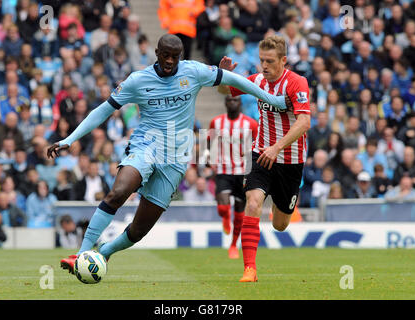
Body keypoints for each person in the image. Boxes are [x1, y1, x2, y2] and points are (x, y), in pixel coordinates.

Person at [47, 34, 290, 275]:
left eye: (175, 56)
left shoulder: (193, 72)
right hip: (146, 146)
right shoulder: (138, 81)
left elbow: (236, 80)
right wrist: (70, 139)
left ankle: (104, 253)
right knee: (119, 192)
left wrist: (273, 100)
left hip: (175, 160)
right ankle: (81, 254)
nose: (171, 61)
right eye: (166, 55)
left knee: (139, 230)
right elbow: (103, 110)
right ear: (156, 53)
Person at [218, 35, 311, 282]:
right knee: (253, 202)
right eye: (261, 60)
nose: (265, 66)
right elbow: (225, 90)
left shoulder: (297, 83)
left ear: (283, 60)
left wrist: (278, 147)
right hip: (261, 154)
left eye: (270, 61)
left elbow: (304, 122)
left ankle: (281, 206)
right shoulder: (257, 80)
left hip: (290, 161)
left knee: (281, 225)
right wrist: (222, 76)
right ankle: (250, 268)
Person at [207, 94, 258, 259]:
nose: (232, 102)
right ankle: (224, 217)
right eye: (229, 100)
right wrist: (209, 157)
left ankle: (233, 245)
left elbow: (258, 144)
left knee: (239, 211)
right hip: (223, 170)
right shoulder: (217, 122)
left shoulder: (250, 124)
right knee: (223, 207)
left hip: (243, 172)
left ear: (240, 103)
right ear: (225, 103)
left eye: (235, 100)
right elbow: (209, 141)